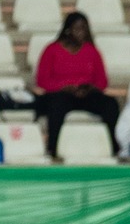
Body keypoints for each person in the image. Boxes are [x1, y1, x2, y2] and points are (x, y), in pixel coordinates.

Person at [32, 11, 117, 160]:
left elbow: (102, 81)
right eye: (78, 28)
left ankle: (113, 147)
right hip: (60, 95)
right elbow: (42, 80)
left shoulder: (92, 51)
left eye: (85, 28)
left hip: (86, 95)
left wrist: (89, 88)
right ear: (68, 30)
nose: (82, 32)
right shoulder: (51, 49)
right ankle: (53, 149)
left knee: (111, 104)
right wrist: (64, 86)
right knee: (56, 105)